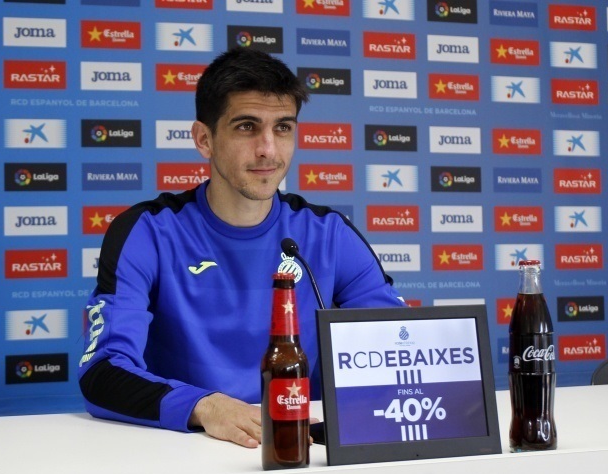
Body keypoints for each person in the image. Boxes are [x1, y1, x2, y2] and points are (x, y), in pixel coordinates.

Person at [78, 47, 405, 448]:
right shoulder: (148, 232)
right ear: (204, 139)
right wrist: (206, 407)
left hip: (298, 448)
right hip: (183, 449)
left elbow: (398, 349)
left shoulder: (329, 233)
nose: (268, 149)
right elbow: (103, 373)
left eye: (282, 127)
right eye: (247, 126)